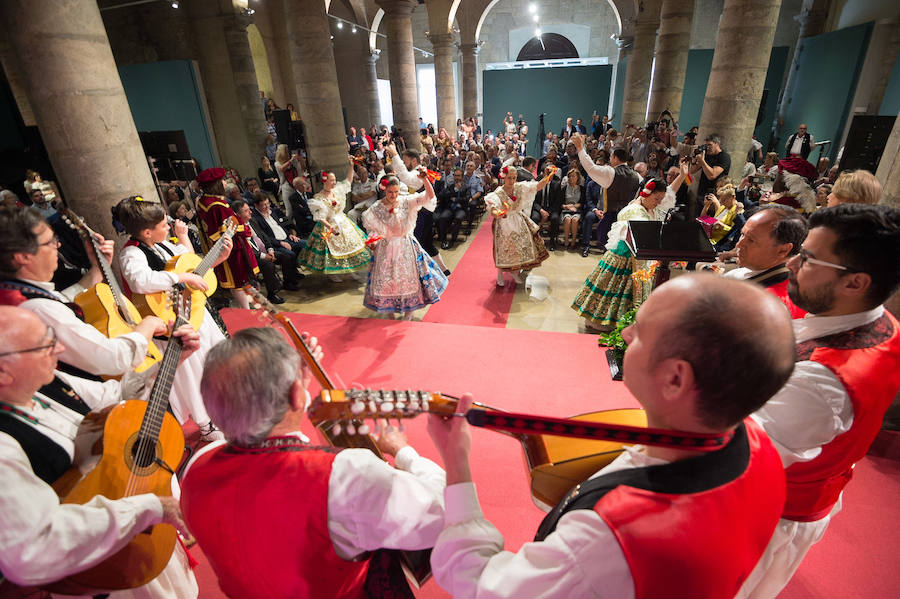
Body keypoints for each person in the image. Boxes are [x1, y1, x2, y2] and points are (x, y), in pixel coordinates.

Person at [429, 274, 795, 599]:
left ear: (675, 380)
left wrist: (456, 463)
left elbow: (483, 584)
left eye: (639, 331)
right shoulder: (758, 444)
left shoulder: (609, 539)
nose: (624, 334)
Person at [179, 327, 446, 598]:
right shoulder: (343, 474)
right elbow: (439, 510)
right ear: (297, 395)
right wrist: (404, 452)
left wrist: (293, 381)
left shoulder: (196, 469)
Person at [738, 203, 900, 599]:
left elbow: (737, 455)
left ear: (855, 283)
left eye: (808, 259)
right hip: (811, 483)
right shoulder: (881, 322)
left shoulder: (823, 381)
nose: (791, 264)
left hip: (769, 512)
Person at [0, 306, 200, 598]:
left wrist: (171, 361)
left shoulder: (45, 384)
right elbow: (36, 545)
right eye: (45, 344)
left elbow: (114, 399)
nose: (60, 347)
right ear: (4, 373)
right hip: (88, 567)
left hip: (126, 517)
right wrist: (149, 508)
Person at [0, 206, 167, 381]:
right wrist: (148, 324)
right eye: (50, 241)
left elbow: (64, 298)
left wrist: (97, 268)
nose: (58, 245)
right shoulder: (37, 309)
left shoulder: (20, 294)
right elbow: (113, 358)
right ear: (23, 256)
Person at [114, 196, 231, 439]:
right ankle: (206, 422)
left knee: (214, 359)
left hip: (195, 311)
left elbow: (192, 265)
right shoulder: (131, 254)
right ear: (147, 232)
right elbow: (140, 280)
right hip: (170, 318)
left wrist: (218, 259)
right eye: (163, 224)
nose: (169, 225)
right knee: (192, 372)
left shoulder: (165, 245)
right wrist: (180, 279)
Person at [571, 174, 683, 331]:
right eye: (656, 199)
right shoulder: (634, 210)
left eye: (660, 200)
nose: (658, 203)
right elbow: (642, 230)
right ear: (646, 193)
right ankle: (607, 321)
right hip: (625, 256)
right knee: (616, 291)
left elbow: (669, 194)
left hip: (638, 255)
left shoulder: (648, 205)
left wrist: (683, 174)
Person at [362, 174, 448, 319]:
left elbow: (429, 195)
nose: (393, 195)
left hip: (406, 245)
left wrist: (424, 179)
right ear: (384, 190)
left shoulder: (407, 201)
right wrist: (373, 241)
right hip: (387, 247)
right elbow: (373, 229)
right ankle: (390, 312)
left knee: (408, 279)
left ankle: (409, 312)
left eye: (396, 191)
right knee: (389, 280)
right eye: (390, 192)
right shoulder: (377, 207)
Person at [719, 205, 808, 319]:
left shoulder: (770, 304)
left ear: (783, 250)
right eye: (742, 234)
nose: (739, 244)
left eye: (751, 240)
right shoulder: (759, 270)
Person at [194, 167, 258, 309]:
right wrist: (246, 229)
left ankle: (245, 306)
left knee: (237, 281)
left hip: (223, 246)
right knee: (238, 281)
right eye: (222, 180)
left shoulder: (204, 201)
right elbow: (231, 228)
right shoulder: (217, 206)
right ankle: (245, 309)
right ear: (216, 184)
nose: (224, 183)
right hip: (232, 248)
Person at [297, 159, 371, 276]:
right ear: (324, 181)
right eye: (332, 180)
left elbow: (348, 181)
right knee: (332, 250)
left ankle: (349, 269)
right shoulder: (318, 198)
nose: (334, 182)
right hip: (329, 224)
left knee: (349, 245)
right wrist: (330, 228)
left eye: (335, 180)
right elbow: (320, 217)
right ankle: (334, 274)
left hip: (343, 221)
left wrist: (351, 166)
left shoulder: (337, 190)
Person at [386, 143, 451, 275]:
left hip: (423, 213)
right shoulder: (418, 172)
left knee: (417, 244)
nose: (403, 164)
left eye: (405, 161)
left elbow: (405, 177)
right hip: (423, 211)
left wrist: (394, 155)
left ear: (414, 160)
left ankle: (422, 273)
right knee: (426, 243)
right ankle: (444, 270)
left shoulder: (418, 173)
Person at [484, 165, 555, 287]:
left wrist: (548, 176)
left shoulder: (520, 187)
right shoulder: (498, 192)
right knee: (503, 249)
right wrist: (498, 213)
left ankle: (514, 272)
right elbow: (493, 208)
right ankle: (500, 274)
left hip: (518, 220)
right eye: (509, 178)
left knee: (518, 248)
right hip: (504, 223)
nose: (511, 181)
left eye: (514, 178)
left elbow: (537, 186)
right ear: (504, 178)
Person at [573, 134, 642, 257]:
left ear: (615, 158)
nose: (610, 160)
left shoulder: (611, 172)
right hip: (627, 220)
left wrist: (580, 149)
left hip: (611, 217)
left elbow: (590, 168)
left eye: (611, 157)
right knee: (622, 253)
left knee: (609, 252)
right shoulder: (638, 176)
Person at [250, 193, 305, 291]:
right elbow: (265, 237)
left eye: (268, 203)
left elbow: (280, 226)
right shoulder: (256, 218)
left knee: (304, 244)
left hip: (286, 238)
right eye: (264, 205)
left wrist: (290, 235)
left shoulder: (272, 212)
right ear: (256, 205)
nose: (267, 206)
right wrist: (280, 243)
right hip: (275, 243)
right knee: (289, 254)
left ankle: (294, 271)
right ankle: (288, 282)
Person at [692, 134, 732, 214]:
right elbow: (691, 171)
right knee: (698, 217)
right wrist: (694, 160)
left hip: (715, 194)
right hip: (702, 191)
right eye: (706, 145)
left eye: (710, 145)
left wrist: (702, 161)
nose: (708, 148)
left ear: (718, 144)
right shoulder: (706, 155)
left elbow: (712, 175)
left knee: (709, 219)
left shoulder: (724, 157)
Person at [530, 165, 563, 252]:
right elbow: (532, 200)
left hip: (551, 209)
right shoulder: (536, 184)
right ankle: (535, 241)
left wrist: (547, 212)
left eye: (550, 173)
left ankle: (552, 241)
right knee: (534, 218)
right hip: (539, 208)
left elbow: (557, 202)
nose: (548, 174)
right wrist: (541, 210)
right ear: (543, 173)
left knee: (555, 218)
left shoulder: (556, 185)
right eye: (547, 172)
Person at [560, 168, 585, 250]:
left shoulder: (581, 189)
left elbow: (582, 202)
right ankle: (566, 240)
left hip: (577, 210)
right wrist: (567, 206)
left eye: (573, 176)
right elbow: (560, 203)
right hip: (566, 210)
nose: (571, 178)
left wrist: (574, 206)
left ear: (577, 178)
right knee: (567, 219)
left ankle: (574, 241)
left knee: (574, 220)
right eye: (569, 176)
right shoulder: (564, 189)